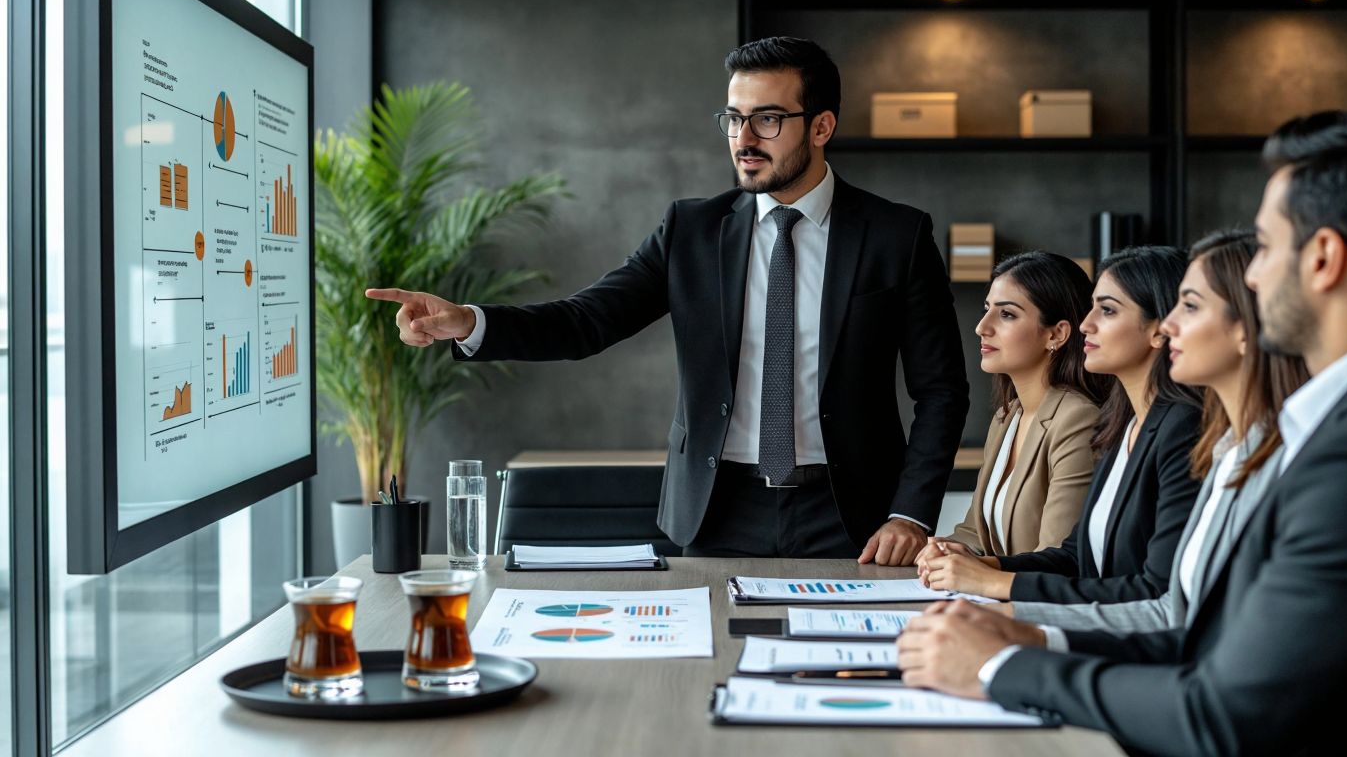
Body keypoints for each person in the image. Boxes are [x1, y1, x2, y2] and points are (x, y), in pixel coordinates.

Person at [897, 110, 1347, 755]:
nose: (1252, 275)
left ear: (1326, 258)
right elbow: (1188, 628)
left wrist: (998, 666)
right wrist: (1030, 638)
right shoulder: (1326, 425)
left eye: (1269, 247)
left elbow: (1226, 708)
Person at [366, 37, 969, 563]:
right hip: (717, 511)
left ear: (821, 126)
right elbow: (586, 322)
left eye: (767, 119)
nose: (744, 139)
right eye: (733, 119)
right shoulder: (691, 231)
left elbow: (941, 390)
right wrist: (470, 322)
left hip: (855, 517)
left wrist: (912, 514)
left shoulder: (897, 235)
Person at [993, 229, 1309, 638]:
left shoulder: (1193, 432)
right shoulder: (1128, 424)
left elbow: (1164, 606)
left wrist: (1015, 610)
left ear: (1246, 326)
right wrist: (993, 570)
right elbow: (1081, 557)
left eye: (1189, 307)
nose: (1171, 324)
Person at [919, 246, 1202, 604]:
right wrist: (959, 559)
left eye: (1108, 310)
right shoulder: (1121, 423)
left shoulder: (1104, 421)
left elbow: (1151, 594)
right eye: (986, 309)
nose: (1088, 324)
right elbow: (1072, 556)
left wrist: (990, 581)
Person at [942, 252, 1109, 559]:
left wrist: (976, 571)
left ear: (1056, 334)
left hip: (1030, 602)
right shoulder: (1008, 416)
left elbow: (1056, 556)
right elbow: (975, 533)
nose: (982, 327)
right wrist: (943, 549)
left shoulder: (1077, 418)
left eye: (1006, 315)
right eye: (986, 309)